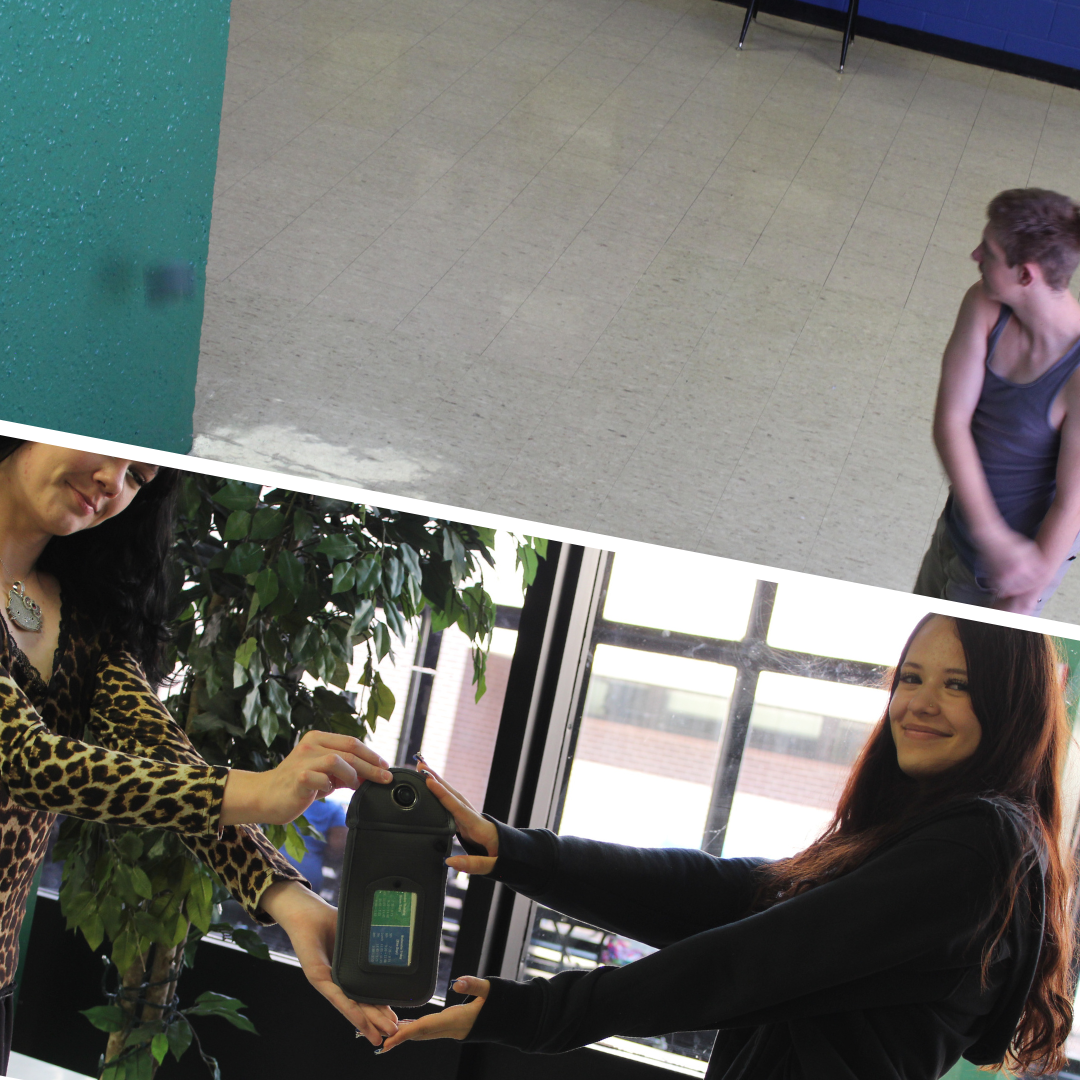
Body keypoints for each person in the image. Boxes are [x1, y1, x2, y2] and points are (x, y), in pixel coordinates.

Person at [382, 615, 1074, 1079]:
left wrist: (532, 1014)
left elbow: (755, 960)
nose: (919, 703)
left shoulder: (982, 847)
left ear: (1012, 704)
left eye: (957, 685)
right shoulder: (929, 835)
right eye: (912, 678)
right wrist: (514, 852)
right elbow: (736, 897)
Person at [0, 441, 401, 1072]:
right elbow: (29, 762)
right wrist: (264, 790)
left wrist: (288, 899)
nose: (112, 482)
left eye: (138, 476)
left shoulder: (80, 612)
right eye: (104, 452)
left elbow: (166, 760)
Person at [915, 187, 1080, 615]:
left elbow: (1071, 504)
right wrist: (989, 535)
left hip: (1013, 569)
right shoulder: (985, 303)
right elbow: (950, 422)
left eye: (987, 250)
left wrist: (1025, 590)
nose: (975, 255)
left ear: (1026, 275)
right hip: (962, 528)